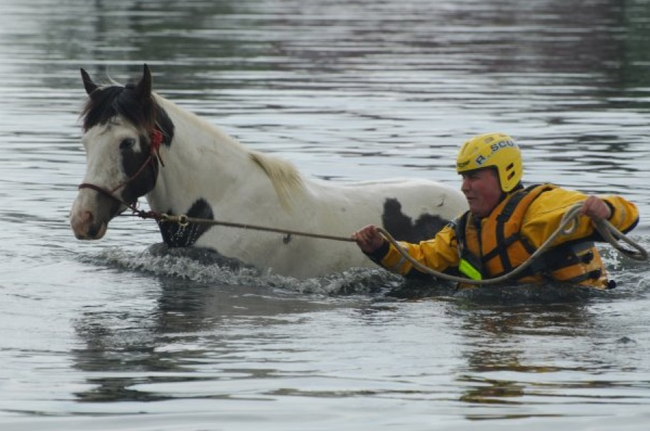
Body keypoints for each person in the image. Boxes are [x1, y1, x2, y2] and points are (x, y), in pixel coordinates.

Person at [352, 132, 639, 289]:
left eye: (474, 177)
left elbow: (626, 215)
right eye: (463, 177)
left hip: (567, 315)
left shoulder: (544, 208)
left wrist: (607, 209)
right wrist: (381, 248)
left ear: (506, 174)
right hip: (505, 314)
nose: (464, 187)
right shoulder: (465, 229)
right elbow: (424, 261)